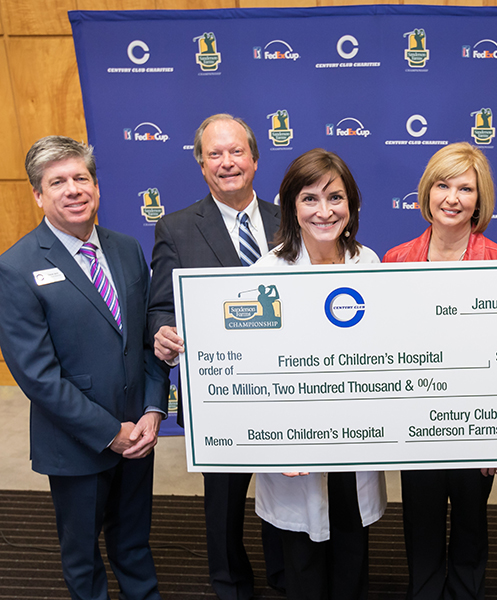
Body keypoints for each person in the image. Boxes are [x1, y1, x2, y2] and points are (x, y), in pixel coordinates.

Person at [0, 136, 169, 599]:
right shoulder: (16, 268)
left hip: (139, 432)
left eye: (81, 178)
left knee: (134, 544)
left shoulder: (126, 248)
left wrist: (154, 410)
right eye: (58, 182)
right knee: (82, 557)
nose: (73, 190)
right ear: (38, 194)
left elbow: (148, 339)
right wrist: (109, 431)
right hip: (78, 442)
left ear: (97, 187)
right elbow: (38, 376)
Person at [147, 114, 284, 600]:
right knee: (223, 500)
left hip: (289, 384)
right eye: (215, 154)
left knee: (290, 489)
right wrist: (161, 330)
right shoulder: (177, 228)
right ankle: (230, 585)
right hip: (220, 390)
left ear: (255, 157)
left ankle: (287, 576)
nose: (227, 163)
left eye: (236, 152)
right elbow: (161, 305)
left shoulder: (290, 219)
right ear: (201, 164)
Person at [383, 142, 497, 600]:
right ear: (427, 191)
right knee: (419, 527)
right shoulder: (394, 260)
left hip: (474, 427)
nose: (452, 198)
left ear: (480, 200)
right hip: (415, 424)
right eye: (443, 185)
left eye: (465, 188)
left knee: (470, 528)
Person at [253, 148, 387, 599]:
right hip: (297, 445)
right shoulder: (267, 273)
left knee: (351, 550)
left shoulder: (368, 264)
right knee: (303, 560)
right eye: (310, 199)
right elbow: (253, 369)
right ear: (291, 205)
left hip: (355, 436)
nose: (324, 211)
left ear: (352, 205)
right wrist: (276, 440)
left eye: (335, 197)